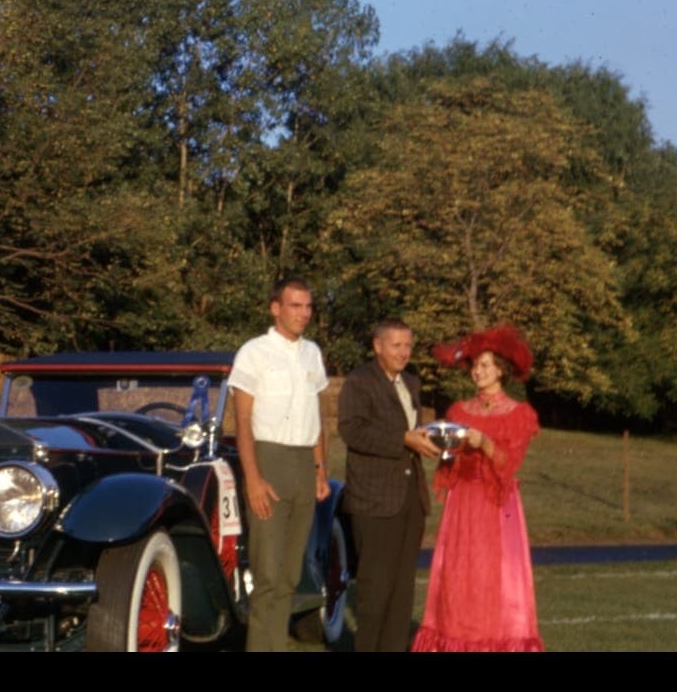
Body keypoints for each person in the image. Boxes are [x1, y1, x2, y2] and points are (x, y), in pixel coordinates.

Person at [411, 323, 545, 652]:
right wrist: (444, 446)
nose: (477, 371)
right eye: (475, 365)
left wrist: (483, 442)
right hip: (463, 504)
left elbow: (508, 464)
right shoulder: (459, 411)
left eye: (485, 365)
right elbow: (449, 466)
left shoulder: (519, 414)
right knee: (459, 576)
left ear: (501, 369)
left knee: (494, 579)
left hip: (497, 507)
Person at [229, 276, 330, 652]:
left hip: (304, 465)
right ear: (276, 308)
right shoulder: (253, 353)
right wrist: (253, 479)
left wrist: (321, 470)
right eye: (295, 306)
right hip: (267, 461)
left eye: (308, 306)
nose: (304, 313)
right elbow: (241, 424)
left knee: (289, 575)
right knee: (268, 575)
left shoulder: (312, 354)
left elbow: (319, 418)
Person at [337, 319, 441, 652]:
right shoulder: (359, 381)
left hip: (410, 499)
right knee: (375, 590)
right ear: (377, 346)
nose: (404, 352)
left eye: (408, 345)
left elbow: (411, 430)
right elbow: (352, 431)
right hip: (374, 500)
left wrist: (428, 437)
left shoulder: (410, 382)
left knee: (401, 590)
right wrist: (403, 439)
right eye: (396, 345)